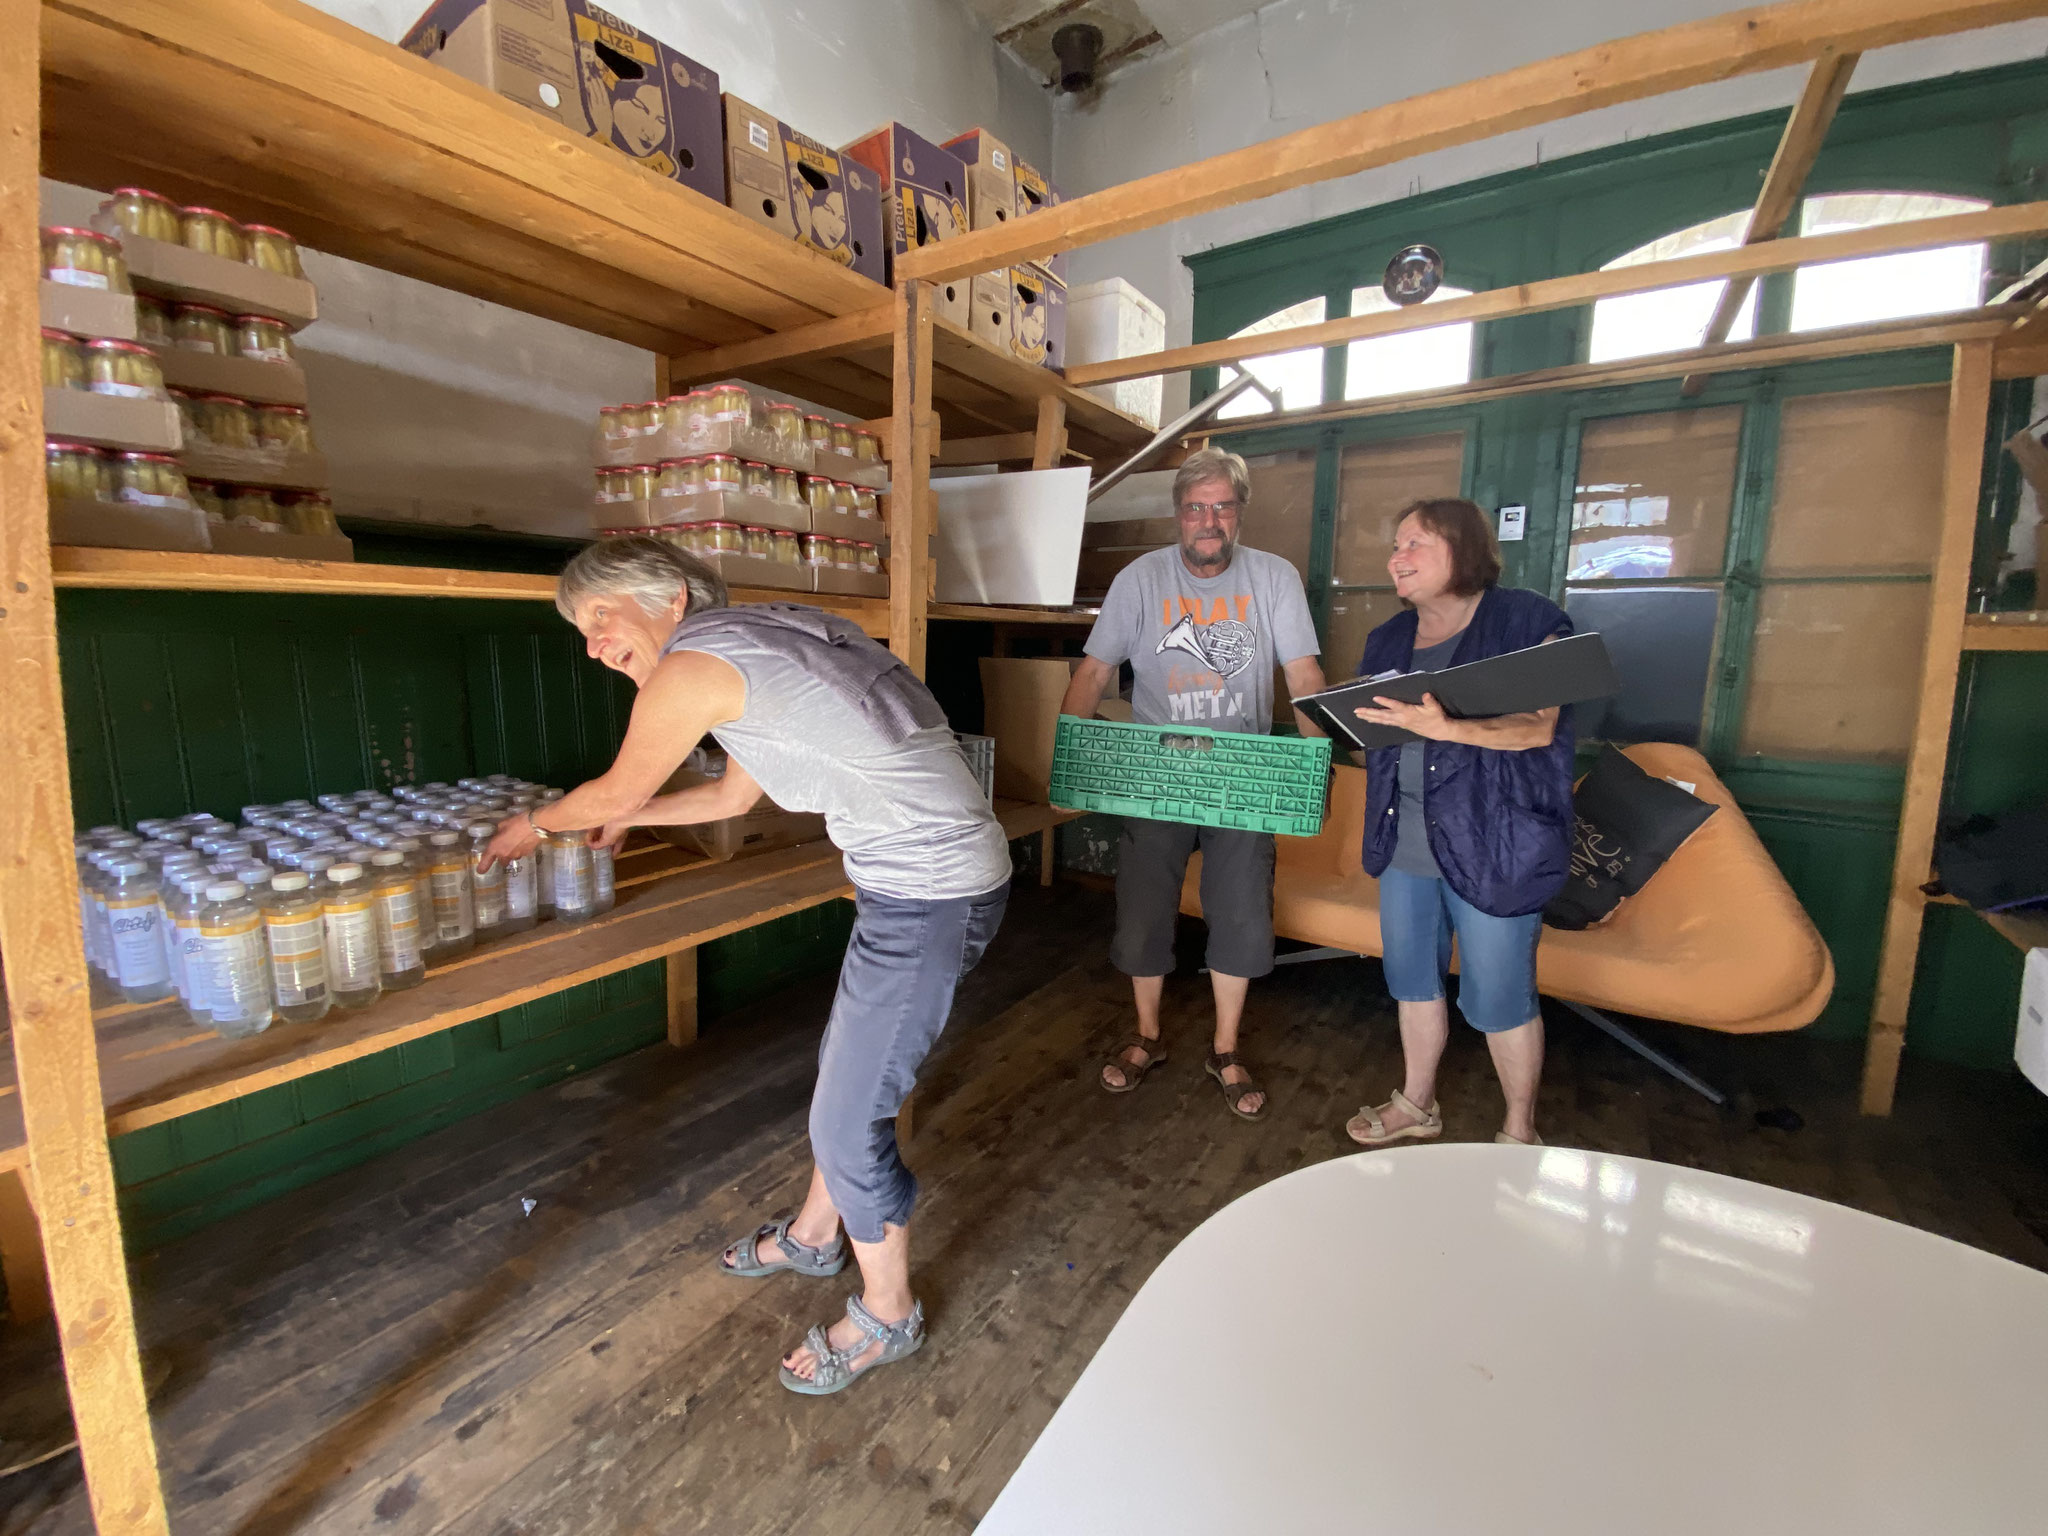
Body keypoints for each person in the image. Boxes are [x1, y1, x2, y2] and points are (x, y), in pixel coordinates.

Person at [482, 535, 1012, 1395]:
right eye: (580, 630)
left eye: (600, 618)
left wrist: (538, 824)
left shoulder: (690, 669)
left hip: (929, 898)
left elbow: (613, 791)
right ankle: (812, 1235)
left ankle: (888, 1314)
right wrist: (631, 818)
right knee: (851, 1077)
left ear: (669, 599)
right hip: (927, 884)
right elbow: (734, 796)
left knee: (847, 1120)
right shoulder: (764, 642)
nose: (591, 645)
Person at [1060, 446, 1326, 1121]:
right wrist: (1070, 760)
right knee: (1144, 906)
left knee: (1239, 908)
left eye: (1223, 508)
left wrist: (1314, 767)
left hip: (1243, 769)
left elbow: (1303, 677)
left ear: (1239, 514)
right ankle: (1147, 1035)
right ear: (1178, 516)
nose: (1209, 521)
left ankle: (1226, 1047)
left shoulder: (1275, 577)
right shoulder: (1139, 580)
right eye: (1196, 509)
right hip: (1157, 767)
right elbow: (1093, 674)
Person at [1342, 497, 1574, 1149]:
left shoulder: (1528, 620)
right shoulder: (1387, 639)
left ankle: (1519, 1130)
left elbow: (1539, 727)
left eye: (1415, 542)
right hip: (1404, 840)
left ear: (1464, 548)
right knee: (1412, 983)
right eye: (1395, 545)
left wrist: (1448, 727)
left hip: (1495, 842)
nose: (1398, 557)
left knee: (1500, 997)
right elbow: (1379, 733)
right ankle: (1417, 1104)